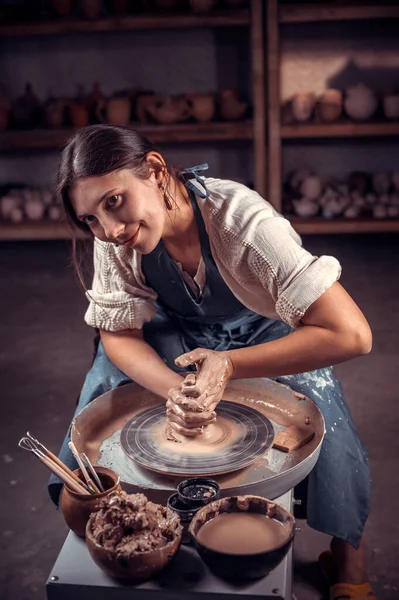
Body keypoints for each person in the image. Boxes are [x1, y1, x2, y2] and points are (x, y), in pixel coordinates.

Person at [50, 124, 374, 600]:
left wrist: (230, 364)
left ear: (155, 171)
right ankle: (112, 524)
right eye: (91, 219)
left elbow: (352, 334)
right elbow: (117, 334)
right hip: (177, 334)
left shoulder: (241, 220)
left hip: (263, 329)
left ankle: (348, 558)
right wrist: (171, 388)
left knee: (319, 403)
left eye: (114, 202)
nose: (110, 230)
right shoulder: (112, 237)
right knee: (105, 384)